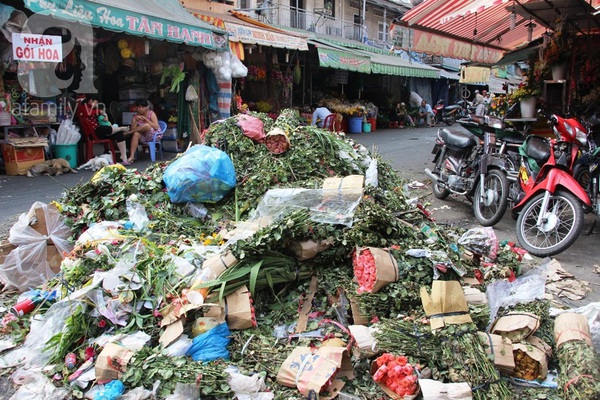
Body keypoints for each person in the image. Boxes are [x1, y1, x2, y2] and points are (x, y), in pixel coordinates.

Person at [78, 95, 130, 165]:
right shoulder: (84, 107)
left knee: (119, 134)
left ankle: (124, 158)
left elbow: (104, 120)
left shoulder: (94, 109)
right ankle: (121, 128)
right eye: (96, 102)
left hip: (100, 131)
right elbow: (88, 113)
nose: (97, 104)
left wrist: (104, 114)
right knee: (103, 129)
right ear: (90, 101)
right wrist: (99, 111)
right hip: (93, 134)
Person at [125, 99, 161, 164]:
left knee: (147, 125)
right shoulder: (135, 116)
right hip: (143, 136)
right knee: (136, 133)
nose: (140, 109)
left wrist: (146, 120)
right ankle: (132, 156)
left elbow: (156, 127)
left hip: (154, 135)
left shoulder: (151, 113)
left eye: (142, 107)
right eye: (139, 107)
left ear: (146, 107)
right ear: (136, 108)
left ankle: (127, 133)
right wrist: (136, 121)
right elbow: (133, 129)